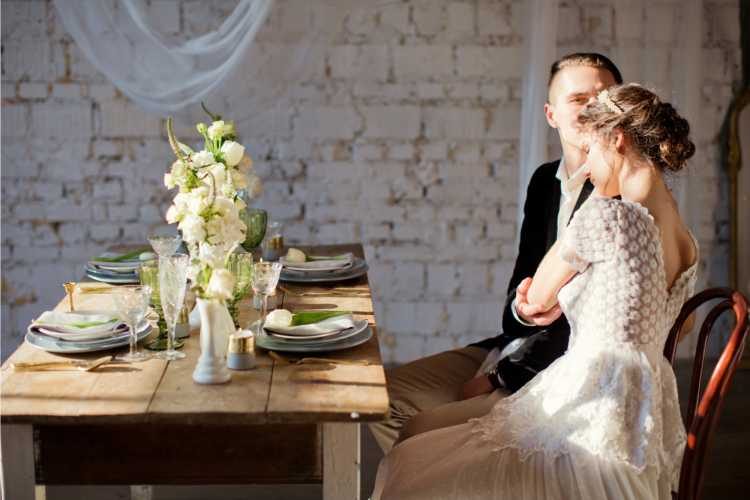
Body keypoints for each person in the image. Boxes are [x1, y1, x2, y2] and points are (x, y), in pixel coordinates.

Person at [372, 83, 698, 500]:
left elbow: (538, 296)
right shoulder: (684, 236)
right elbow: (684, 324)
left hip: (587, 407)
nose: (586, 168)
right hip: (637, 419)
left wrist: (598, 195)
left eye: (591, 152)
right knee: (425, 438)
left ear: (617, 140)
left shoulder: (608, 215)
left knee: (414, 454)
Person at [370, 53, 623, 452]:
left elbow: (592, 327)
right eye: (577, 99)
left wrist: (498, 377)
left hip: (565, 368)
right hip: (514, 344)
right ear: (551, 114)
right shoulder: (544, 182)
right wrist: (522, 310)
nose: (592, 107)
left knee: (426, 434)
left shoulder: (621, 194)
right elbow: (517, 290)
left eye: (603, 97)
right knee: (384, 398)